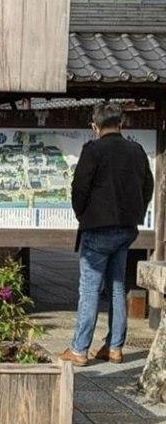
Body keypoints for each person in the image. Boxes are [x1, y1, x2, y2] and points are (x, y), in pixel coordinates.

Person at [60, 102, 154, 366]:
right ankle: (115, 348)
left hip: (97, 229)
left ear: (95, 126)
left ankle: (79, 350)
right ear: (121, 124)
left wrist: (83, 215)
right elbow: (148, 185)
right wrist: (137, 213)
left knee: (89, 289)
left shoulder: (93, 150)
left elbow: (79, 188)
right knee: (117, 287)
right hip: (126, 229)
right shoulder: (136, 150)